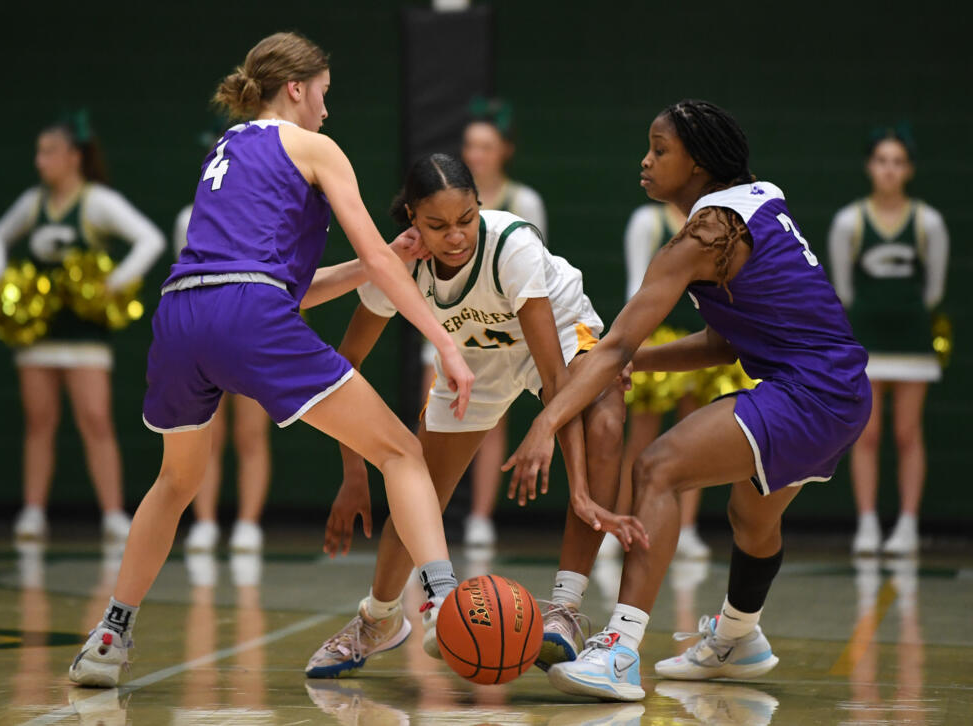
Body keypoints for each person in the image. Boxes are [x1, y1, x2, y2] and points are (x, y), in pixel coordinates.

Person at [67, 31, 475, 688]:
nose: (326, 109)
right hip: (245, 314)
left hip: (180, 312)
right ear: (296, 88)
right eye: (323, 94)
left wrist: (390, 258)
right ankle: (445, 606)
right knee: (401, 452)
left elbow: (282, 286)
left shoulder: (225, 150)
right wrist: (444, 342)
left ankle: (110, 635)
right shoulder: (312, 146)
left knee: (175, 483)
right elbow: (359, 259)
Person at [503, 100, 872, 701]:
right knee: (752, 519)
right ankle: (738, 637)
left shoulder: (703, 235)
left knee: (657, 468)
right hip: (840, 390)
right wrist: (637, 362)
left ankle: (620, 652)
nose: (645, 162)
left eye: (659, 150)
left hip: (810, 391)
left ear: (697, 162)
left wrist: (547, 419)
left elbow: (616, 341)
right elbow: (725, 343)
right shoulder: (752, 210)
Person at [305, 153, 644, 678]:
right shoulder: (399, 263)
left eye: (466, 219)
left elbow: (555, 379)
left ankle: (565, 607)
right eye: (437, 225)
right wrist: (354, 474)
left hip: (555, 341)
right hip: (473, 364)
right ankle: (378, 619)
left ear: (479, 207)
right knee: (417, 491)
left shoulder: (512, 245)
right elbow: (342, 369)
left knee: (602, 421)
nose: (456, 236)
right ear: (412, 217)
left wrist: (559, 455)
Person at [0, 113, 165, 543]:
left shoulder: (96, 201)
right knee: (39, 421)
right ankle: (32, 512)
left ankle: (112, 514)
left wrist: (114, 284)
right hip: (40, 334)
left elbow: (150, 238)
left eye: (47, 151)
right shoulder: (33, 203)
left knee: (96, 420)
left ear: (72, 156)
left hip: (86, 336)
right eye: (39, 152)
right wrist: (3, 283)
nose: (39, 161)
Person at [603, 202, 758, 560]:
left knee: (694, 434)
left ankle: (685, 529)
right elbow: (637, 287)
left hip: (706, 339)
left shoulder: (722, 224)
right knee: (640, 438)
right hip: (658, 336)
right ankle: (619, 525)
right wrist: (634, 340)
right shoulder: (648, 220)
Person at [427, 99, 548, 548]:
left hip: (499, 323)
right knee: (436, 412)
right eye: (470, 146)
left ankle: (480, 517)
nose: (475, 154)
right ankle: (426, 513)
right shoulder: (443, 200)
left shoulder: (523, 202)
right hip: (446, 321)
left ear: (504, 150)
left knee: (491, 417)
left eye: (485, 145)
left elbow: (535, 275)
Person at [828, 127, 949, 557]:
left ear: (909, 169)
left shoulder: (928, 221)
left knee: (908, 433)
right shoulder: (850, 220)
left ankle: (908, 525)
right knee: (868, 433)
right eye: (882, 160)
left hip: (913, 341)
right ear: (870, 167)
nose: (890, 170)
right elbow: (842, 288)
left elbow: (934, 289)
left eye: (898, 162)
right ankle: (867, 524)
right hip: (867, 341)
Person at [173, 201, 271, 553]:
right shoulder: (189, 217)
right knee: (207, 435)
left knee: (251, 433)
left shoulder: (267, 212)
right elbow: (184, 277)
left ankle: (248, 523)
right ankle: (204, 522)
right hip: (204, 332)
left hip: (255, 333)